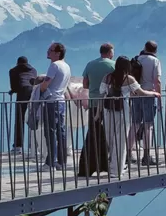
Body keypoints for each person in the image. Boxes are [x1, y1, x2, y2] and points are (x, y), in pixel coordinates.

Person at [100, 56, 158, 177]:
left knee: (110, 138)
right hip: (122, 110)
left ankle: (113, 166)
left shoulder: (107, 77)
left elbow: (102, 94)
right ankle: (117, 170)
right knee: (120, 139)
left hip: (108, 110)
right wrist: (154, 93)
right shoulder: (129, 79)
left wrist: (97, 113)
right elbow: (141, 92)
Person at [33, 42, 71, 170]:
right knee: (61, 132)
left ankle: (50, 163)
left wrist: (40, 90)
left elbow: (45, 84)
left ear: (57, 53)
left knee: (50, 132)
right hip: (61, 101)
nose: (48, 52)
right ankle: (62, 162)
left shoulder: (54, 66)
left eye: (50, 50)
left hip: (51, 102)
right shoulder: (66, 66)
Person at [79, 44, 116, 173]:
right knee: (107, 135)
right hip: (108, 104)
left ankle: (88, 165)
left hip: (93, 103)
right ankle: (105, 163)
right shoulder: (114, 65)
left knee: (93, 133)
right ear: (110, 52)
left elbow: (85, 84)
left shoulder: (90, 64)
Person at [129, 41, 162, 168]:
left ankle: (128, 153)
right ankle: (146, 156)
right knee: (148, 126)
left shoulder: (137, 59)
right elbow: (157, 80)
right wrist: (158, 97)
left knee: (134, 124)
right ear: (155, 50)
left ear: (144, 48)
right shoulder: (155, 61)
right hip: (149, 95)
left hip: (136, 94)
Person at [7, 56, 37, 153]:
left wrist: (12, 91)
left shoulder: (13, 71)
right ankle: (34, 145)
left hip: (22, 94)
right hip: (33, 93)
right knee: (33, 119)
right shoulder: (33, 70)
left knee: (20, 119)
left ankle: (18, 146)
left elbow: (14, 87)